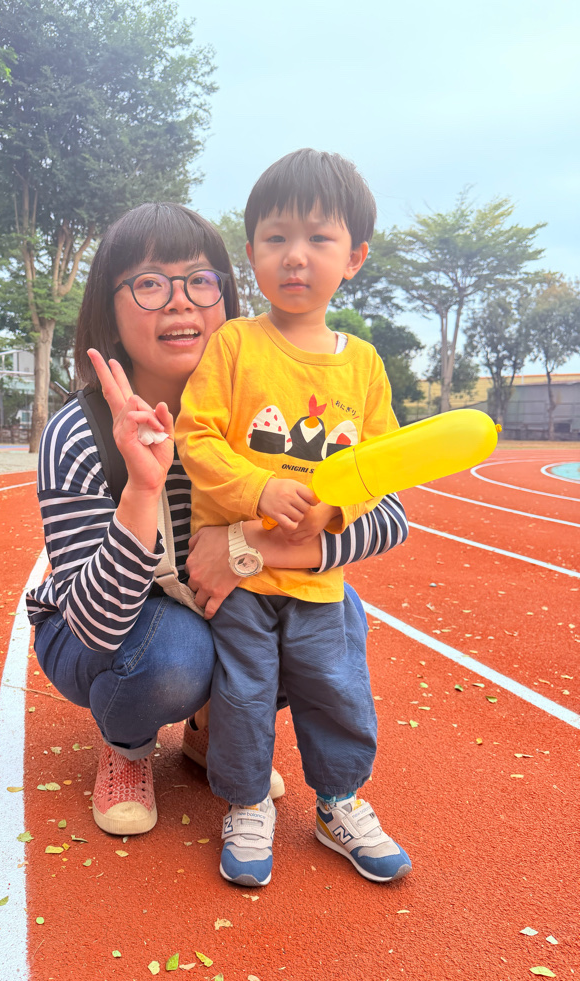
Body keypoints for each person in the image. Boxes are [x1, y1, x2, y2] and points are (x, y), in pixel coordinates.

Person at [26, 200, 409, 841]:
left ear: (226, 297)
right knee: (176, 655)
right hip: (97, 629)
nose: (180, 303)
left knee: (328, 613)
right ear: (110, 309)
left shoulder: (259, 405)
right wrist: (142, 489)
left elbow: (389, 515)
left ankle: (213, 733)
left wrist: (245, 549)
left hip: (221, 597)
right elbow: (94, 624)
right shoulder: (80, 433)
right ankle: (126, 746)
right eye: (150, 283)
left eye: (200, 281)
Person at [175, 150, 412, 887]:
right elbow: (196, 435)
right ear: (251, 254)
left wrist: (337, 508)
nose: (295, 256)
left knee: (337, 691)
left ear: (355, 258)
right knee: (242, 697)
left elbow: (381, 466)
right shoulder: (235, 345)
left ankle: (339, 804)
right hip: (243, 586)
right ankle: (248, 804)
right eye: (276, 238)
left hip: (320, 586)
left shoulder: (364, 366)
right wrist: (258, 490)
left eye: (319, 238)